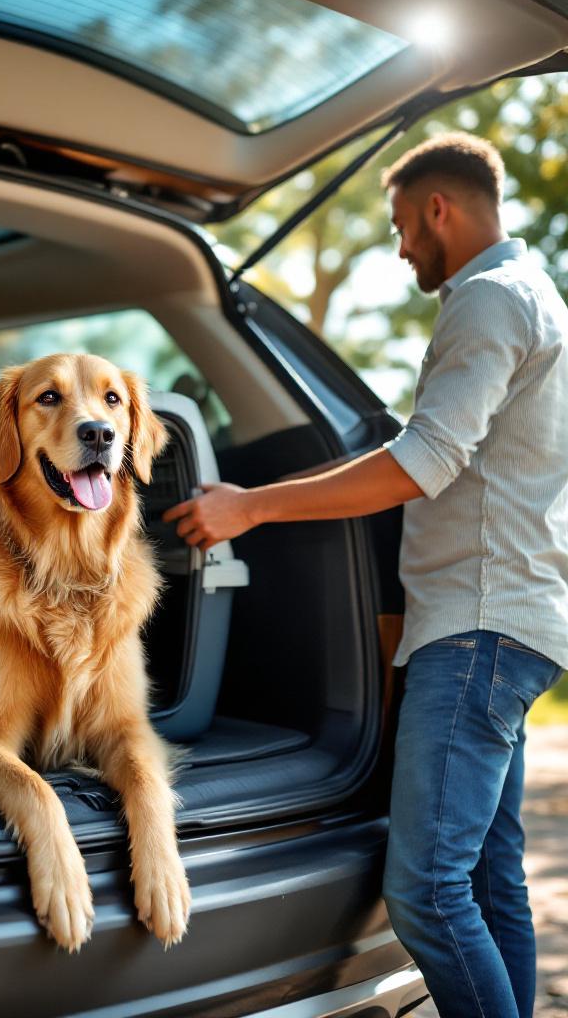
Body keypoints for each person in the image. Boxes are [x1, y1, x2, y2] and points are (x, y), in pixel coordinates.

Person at [164, 133, 568, 1018]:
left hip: (477, 630)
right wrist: (265, 493)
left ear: (439, 209)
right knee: (492, 880)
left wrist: (253, 508)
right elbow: (423, 456)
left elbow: (420, 461)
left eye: (400, 227)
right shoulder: (536, 296)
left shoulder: (490, 300)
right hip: (508, 624)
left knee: (427, 892)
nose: (398, 248)